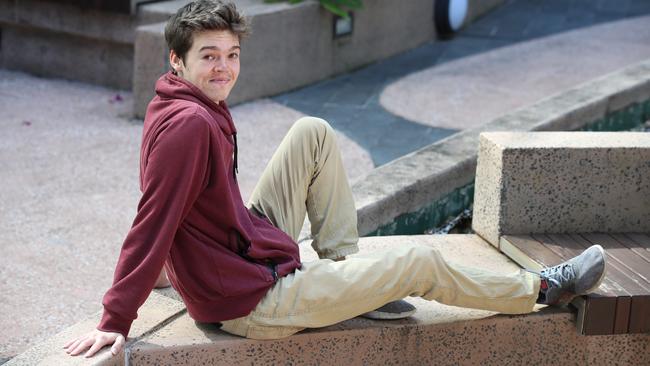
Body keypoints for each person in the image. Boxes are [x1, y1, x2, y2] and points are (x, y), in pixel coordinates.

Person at [64, 0, 607, 358]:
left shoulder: (178, 99)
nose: (224, 68)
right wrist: (118, 315)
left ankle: (350, 282)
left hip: (235, 250)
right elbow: (155, 214)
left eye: (231, 54)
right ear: (177, 60)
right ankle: (540, 288)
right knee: (419, 261)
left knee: (312, 133)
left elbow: (180, 205)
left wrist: (170, 272)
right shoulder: (189, 126)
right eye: (208, 56)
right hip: (248, 302)